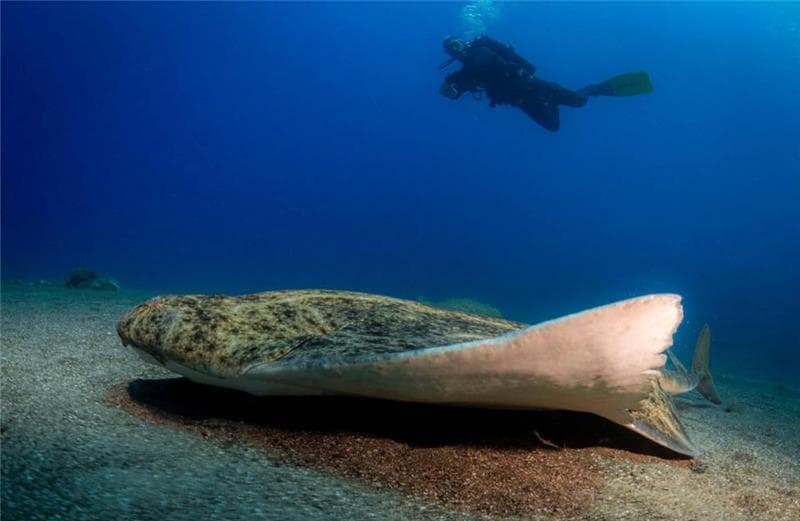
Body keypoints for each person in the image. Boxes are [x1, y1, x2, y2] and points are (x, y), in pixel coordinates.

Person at [439, 35, 653, 132]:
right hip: (520, 101)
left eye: (456, 44)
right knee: (553, 127)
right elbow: (458, 90)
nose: (456, 50)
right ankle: (555, 102)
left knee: (580, 102)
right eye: (451, 50)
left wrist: (453, 79)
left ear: (465, 41)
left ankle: (593, 88)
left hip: (532, 85)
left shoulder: (481, 51)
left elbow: (478, 65)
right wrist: (450, 90)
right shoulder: (467, 73)